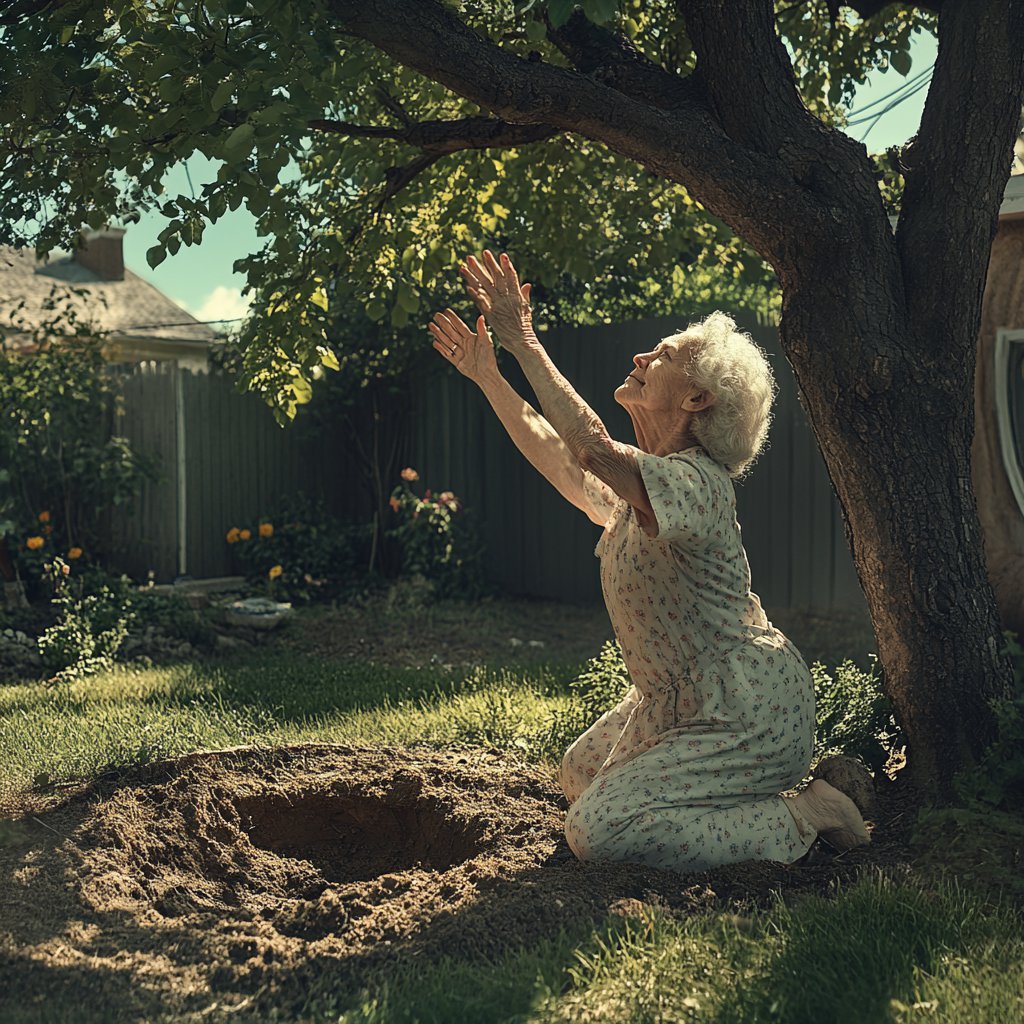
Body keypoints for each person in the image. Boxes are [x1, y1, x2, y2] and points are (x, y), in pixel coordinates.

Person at [427, 249, 871, 873]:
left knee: (600, 832)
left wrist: (525, 341)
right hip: (681, 702)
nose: (641, 356)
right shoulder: (645, 492)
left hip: (749, 708)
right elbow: (563, 457)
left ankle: (804, 814)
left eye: (662, 354)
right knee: (580, 774)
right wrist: (489, 375)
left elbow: (590, 450)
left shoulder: (697, 483)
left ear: (695, 399)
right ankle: (740, 796)